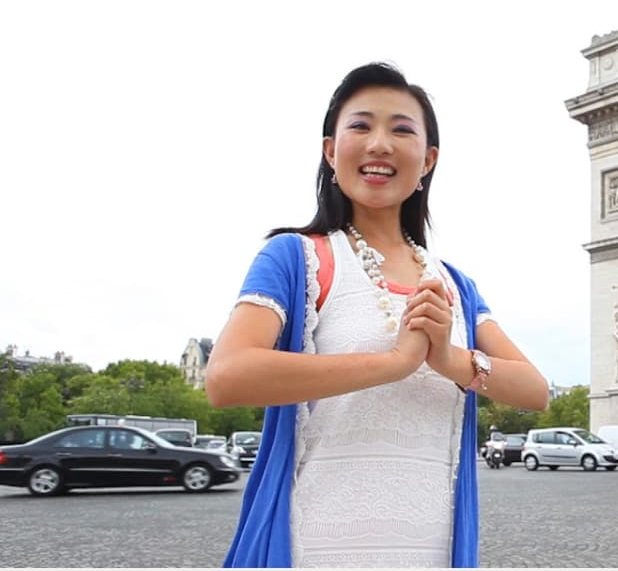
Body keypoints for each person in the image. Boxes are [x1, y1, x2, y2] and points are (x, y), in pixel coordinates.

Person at [205, 62, 549, 568]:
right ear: (330, 150)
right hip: (312, 548)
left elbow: (535, 390)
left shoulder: (457, 285)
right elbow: (227, 377)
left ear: (428, 159)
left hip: (429, 551)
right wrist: (395, 363)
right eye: (361, 126)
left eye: (401, 129)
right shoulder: (294, 257)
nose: (380, 144)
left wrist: (452, 360)